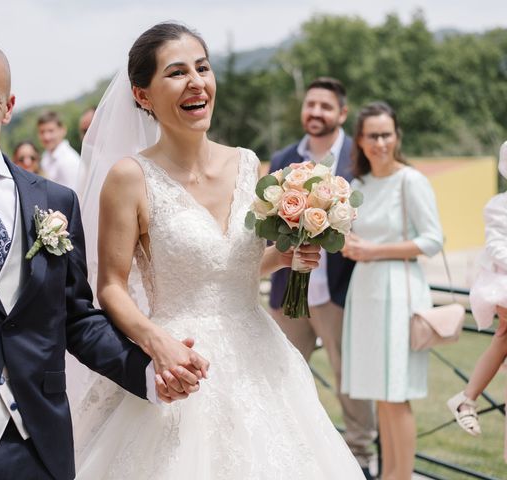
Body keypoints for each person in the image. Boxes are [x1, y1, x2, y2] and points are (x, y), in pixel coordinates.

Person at [0, 36, 204, 480]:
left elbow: (78, 321)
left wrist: (148, 375)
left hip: (40, 447)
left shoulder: (56, 202)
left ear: (7, 107)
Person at [72, 22, 365, 479]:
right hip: (181, 362)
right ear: (142, 95)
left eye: (202, 68)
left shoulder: (248, 163)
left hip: (261, 357)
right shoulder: (129, 178)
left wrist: (284, 256)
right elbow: (110, 287)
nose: (196, 82)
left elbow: (230, 268)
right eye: (176, 73)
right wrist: (157, 343)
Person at [269, 77, 376, 477]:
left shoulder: (359, 156)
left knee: (350, 378)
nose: (316, 112)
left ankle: (361, 459)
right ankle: (287, 454)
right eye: (310, 104)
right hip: (288, 293)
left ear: (342, 113)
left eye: (325, 106)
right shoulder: (282, 157)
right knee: (278, 373)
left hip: (340, 290)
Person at [341, 102, 443, 480]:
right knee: (379, 394)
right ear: (361, 141)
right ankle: (388, 476)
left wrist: (373, 250)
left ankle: (401, 476)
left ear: (397, 136)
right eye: (372, 135)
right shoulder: (358, 185)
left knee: (396, 396)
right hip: (365, 291)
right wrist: (348, 244)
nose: (380, 142)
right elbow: (352, 237)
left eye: (387, 134)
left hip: (399, 291)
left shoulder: (411, 180)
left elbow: (433, 239)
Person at [447, 140, 507, 446]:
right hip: (504, 279)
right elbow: (497, 247)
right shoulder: (500, 206)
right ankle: (467, 397)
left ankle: (467, 397)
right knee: (504, 334)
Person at [38, 111, 86, 194]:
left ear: (63, 130)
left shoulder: (69, 160)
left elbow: (73, 197)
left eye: (51, 131)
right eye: (42, 132)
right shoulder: (46, 155)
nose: (46, 137)